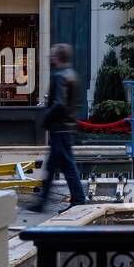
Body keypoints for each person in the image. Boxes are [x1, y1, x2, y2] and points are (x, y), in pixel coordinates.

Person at [30, 44, 87, 212]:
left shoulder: (60, 76)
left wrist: (45, 118)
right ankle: (41, 203)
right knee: (52, 167)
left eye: (52, 56)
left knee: (67, 166)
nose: (49, 59)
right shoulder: (73, 75)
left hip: (60, 128)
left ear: (57, 58)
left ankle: (77, 200)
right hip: (66, 127)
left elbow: (59, 104)